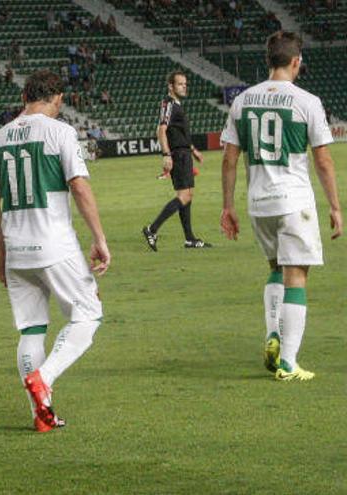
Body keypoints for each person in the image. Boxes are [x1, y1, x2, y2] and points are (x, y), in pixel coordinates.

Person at [0, 71, 110, 432]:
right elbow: (80, 188)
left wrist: (2, 251)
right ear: (56, 98)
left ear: (26, 96)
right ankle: (45, 378)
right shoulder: (60, 132)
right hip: (54, 243)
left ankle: (41, 414)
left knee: (31, 329)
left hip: (16, 248)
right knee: (88, 314)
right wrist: (99, 238)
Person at [220, 31, 342, 381]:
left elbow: (229, 160)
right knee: (297, 276)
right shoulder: (306, 101)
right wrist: (335, 206)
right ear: (295, 62)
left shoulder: (243, 100)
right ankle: (288, 362)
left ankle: (273, 331)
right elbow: (323, 161)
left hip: (259, 203)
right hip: (294, 201)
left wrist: (227, 206)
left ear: (268, 60)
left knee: (275, 267)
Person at [142, 70, 211, 250]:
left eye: (185, 84)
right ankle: (152, 229)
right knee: (183, 196)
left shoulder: (176, 104)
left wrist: (193, 150)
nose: (184, 86)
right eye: (180, 84)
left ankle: (189, 239)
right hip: (178, 156)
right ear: (171, 86)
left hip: (184, 153)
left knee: (188, 196)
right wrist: (166, 154)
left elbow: (179, 134)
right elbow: (161, 130)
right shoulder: (169, 103)